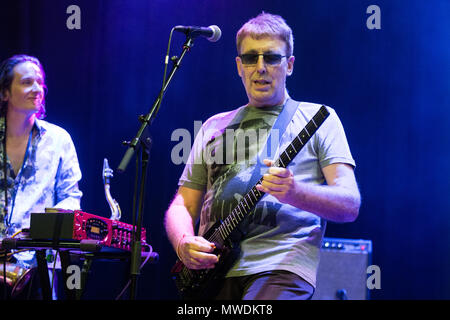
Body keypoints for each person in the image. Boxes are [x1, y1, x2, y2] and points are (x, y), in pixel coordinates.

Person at [165, 12, 361, 300]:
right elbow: (182, 204)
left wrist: (295, 192)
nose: (260, 68)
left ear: (289, 65)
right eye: (250, 58)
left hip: (280, 266)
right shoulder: (212, 126)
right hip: (212, 274)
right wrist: (183, 243)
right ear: (238, 66)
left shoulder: (319, 119)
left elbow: (349, 204)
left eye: (271, 58)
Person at [0, 54, 83, 298]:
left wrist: (37, 227)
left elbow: (71, 199)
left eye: (40, 82)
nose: (37, 88)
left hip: (37, 267)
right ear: (5, 93)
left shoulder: (59, 140)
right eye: (27, 82)